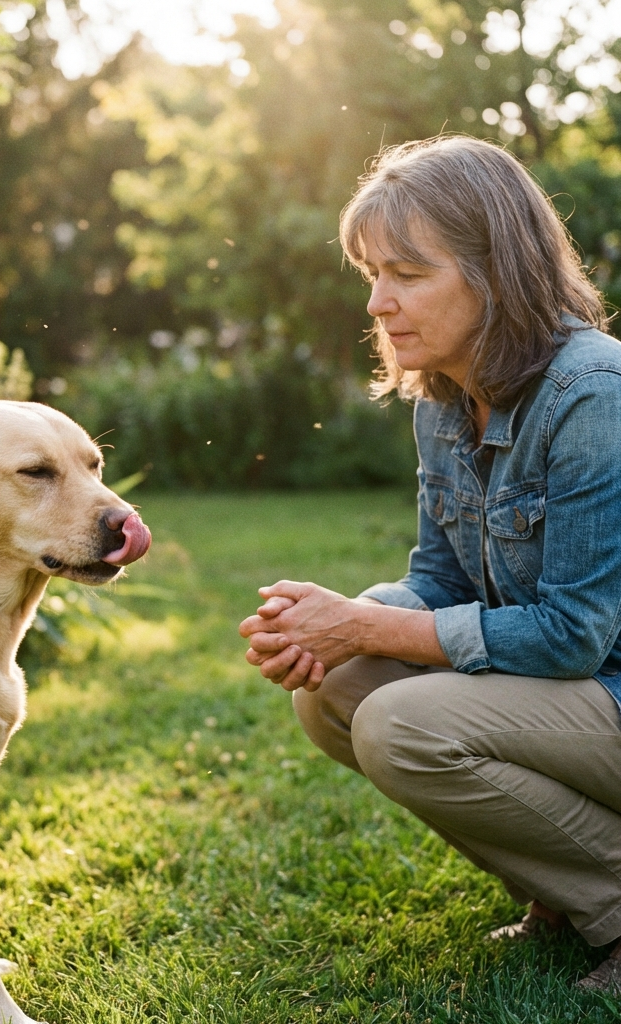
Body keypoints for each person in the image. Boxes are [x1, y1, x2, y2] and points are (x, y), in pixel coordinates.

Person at [239, 135, 621, 994]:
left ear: (497, 272)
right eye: (372, 273)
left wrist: (368, 623)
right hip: (576, 705)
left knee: (400, 722)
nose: (378, 302)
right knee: (334, 686)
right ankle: (556, 894)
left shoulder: (594, 395)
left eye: (407, 273)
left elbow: (572, 639)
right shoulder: (444, 399)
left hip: (610, 690)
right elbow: (441, 583)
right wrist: (337, 619)